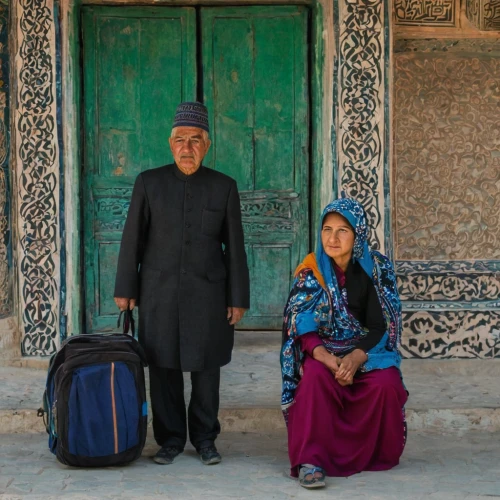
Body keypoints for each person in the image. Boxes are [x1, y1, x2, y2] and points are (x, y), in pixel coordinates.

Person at [114, 102, 250, 466]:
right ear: (170, 143)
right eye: (180, 140)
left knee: (207, 370)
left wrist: (238, 298)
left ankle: (206, 439)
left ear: (207, 145)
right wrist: (125, 288)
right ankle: (170, 439)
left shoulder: (224, 187)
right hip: (158, 292)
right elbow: (132, 240)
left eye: (195, 140)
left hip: (209, 295)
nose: (186, 148)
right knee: (163, 369)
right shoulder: (149, 183)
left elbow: (235, 247)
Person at [280, 197, 408, 489]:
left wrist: (356, 357)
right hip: (324, 350)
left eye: (342, 231)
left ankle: (374, 453)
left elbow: (382, 325)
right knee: (314, 378)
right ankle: (311, 460)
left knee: (385, 383)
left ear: (358, 234)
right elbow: (300, 321)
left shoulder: (377, 269)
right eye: (327, 229)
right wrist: (323, 356)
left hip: (367, 351)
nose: (332, 238)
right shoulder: (312, 270)